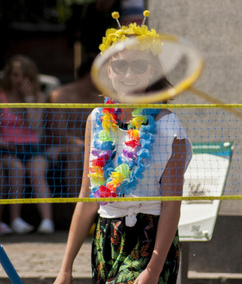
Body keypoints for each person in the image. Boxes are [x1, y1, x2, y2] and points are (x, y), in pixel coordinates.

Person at [54, 11, 192, 284]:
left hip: (150, 239)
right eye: (120, 66)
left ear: (151, 71)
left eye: (139, 67)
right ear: (108, 69)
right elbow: (87, 197)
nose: (129, 74)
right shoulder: (95, 119)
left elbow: (172, 206)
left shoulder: (169, 127)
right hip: (106, 238)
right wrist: (65, 269)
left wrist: (152, 271)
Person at [0, 54, 54, 235]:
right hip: (7, 149)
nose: (20, 80)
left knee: (36, 171)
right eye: (16, 75)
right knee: (16, 169)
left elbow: (35, 127)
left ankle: (47, 221)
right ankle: (15, 219)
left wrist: (29, 100)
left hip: (33, 148)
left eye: (25, 76)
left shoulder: (38, 96)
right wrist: (5, 143)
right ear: (9, 76)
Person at [46, 53, 104, 197]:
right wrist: (84, 144)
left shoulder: (100, 98)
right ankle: (77, 204)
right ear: (92, 75)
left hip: (89, 146)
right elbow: (58, 133)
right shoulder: (59, 96)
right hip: (56, 148)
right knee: (76, 153)